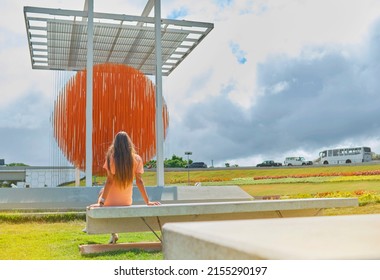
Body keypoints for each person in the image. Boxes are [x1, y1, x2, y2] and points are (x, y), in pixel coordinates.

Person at [89, 131, 160, 244]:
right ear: (129, 143)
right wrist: (148, 201)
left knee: (101, 192)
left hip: (109, 202)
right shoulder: (137, 159)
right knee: (102, 191)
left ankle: (113, 233)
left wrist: (101, 203)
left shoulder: (111, 158)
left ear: (115, 144)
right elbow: (139, 182)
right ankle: (113, 233)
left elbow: (109, 182)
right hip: (126, 201)